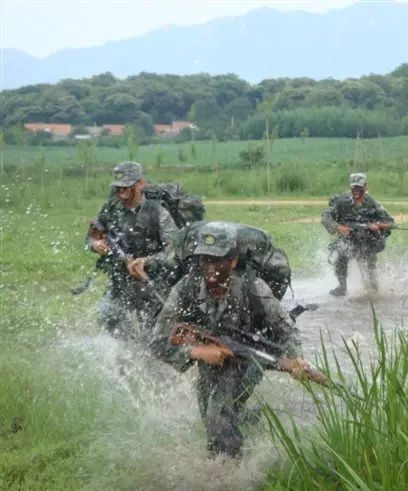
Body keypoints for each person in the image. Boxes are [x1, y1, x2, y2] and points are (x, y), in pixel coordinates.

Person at [149, 224, 306, 457]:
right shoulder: (185, 288)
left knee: (218, 412)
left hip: (251, 354)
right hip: (210, 354)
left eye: (218, 260)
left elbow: (285, 328)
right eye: (204, 260)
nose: (210, 268)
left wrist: (297, 358)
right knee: (210, 413)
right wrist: (196, 352)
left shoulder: (253, 288)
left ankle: (228, 472)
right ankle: (248, 420)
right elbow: (158, 342)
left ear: (232, 261)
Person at [87, 161, 177, 339]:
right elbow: (91, 236)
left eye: (127, 186)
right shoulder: (109, 210)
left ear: (140, 183)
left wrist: (147, 261)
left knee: (153, 336)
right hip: (120, 284)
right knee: (107, 314)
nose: (122, 191)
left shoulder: (158, 213)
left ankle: (147, 355)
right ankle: (130, 348)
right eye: (119, 187)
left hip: (152, 284)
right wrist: (95, 245)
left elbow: (175, 253)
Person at [321, 173, 394, 296]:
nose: (356, 191)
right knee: (341, 255)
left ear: (365, 187)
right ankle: (342, 287)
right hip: (348, 240)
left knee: (371, 279)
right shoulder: (342, 202)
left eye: (359, 188)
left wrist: (377, 225)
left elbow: (390, 222)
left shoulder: (373, 204)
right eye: (353, 188)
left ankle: (373, 289)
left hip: (367, 242)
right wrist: (339, 227)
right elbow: (325, 217)